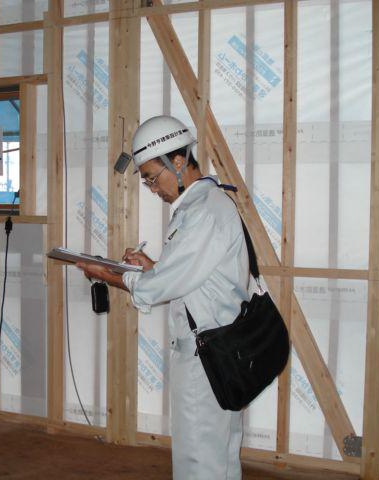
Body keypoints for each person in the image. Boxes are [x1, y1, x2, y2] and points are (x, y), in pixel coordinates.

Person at [76, 115, 250, 480]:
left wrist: (106, 273)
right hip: (218, 349)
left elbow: (156, 289)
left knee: (199, 460)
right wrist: (153, 266)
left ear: (179, 162)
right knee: (219, 455)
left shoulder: (204, 212)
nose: (153, 189)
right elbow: (193, 278)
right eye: (146, 181)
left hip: (206, 358)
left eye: (153, 178)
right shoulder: (203, 207)